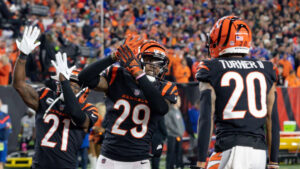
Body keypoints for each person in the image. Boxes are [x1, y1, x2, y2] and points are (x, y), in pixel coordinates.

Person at [78, 35, 178, 169]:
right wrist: (113, 57)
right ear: (137, 58)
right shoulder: (118, 75)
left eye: (158, 63)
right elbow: (84, 78)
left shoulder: (166, 87)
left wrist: (139, 74)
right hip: (109, 157)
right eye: (150, 60)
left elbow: (161, 108)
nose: (154, 66)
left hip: (139, 160)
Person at [195, 16, 279, 169]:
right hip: (259, 153)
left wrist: (200, 160)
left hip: (231, 148)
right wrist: (273, 161)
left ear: (220, 40)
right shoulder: (268, 68)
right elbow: (272, 120)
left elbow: (206, 117)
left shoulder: (211, 68)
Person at [12, 26, 99, 169]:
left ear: (83, 90)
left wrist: (65, 81)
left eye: (74, 86)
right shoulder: (46, 96)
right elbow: (19, 85)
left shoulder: (89, 109)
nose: (70, 88)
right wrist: (22, 56)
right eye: (67, 83)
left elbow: (76, 115)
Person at [165, 96, 185, 169]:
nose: (180, 102)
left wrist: (181, 132)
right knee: (171, 153)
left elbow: (181, 124)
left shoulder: (178, 111)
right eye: (179, 100)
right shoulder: (169, 110)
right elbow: (168, 124)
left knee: (178, 152)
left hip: (179, 136)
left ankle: (177, 166)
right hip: (172, 136)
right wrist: (177, 131)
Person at [0, 98, 12, 169]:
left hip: (3, 142)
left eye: (0, 103)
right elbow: (6, 125)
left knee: (2, 161)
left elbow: (9, 127)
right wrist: (4, 125)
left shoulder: (5, 116)